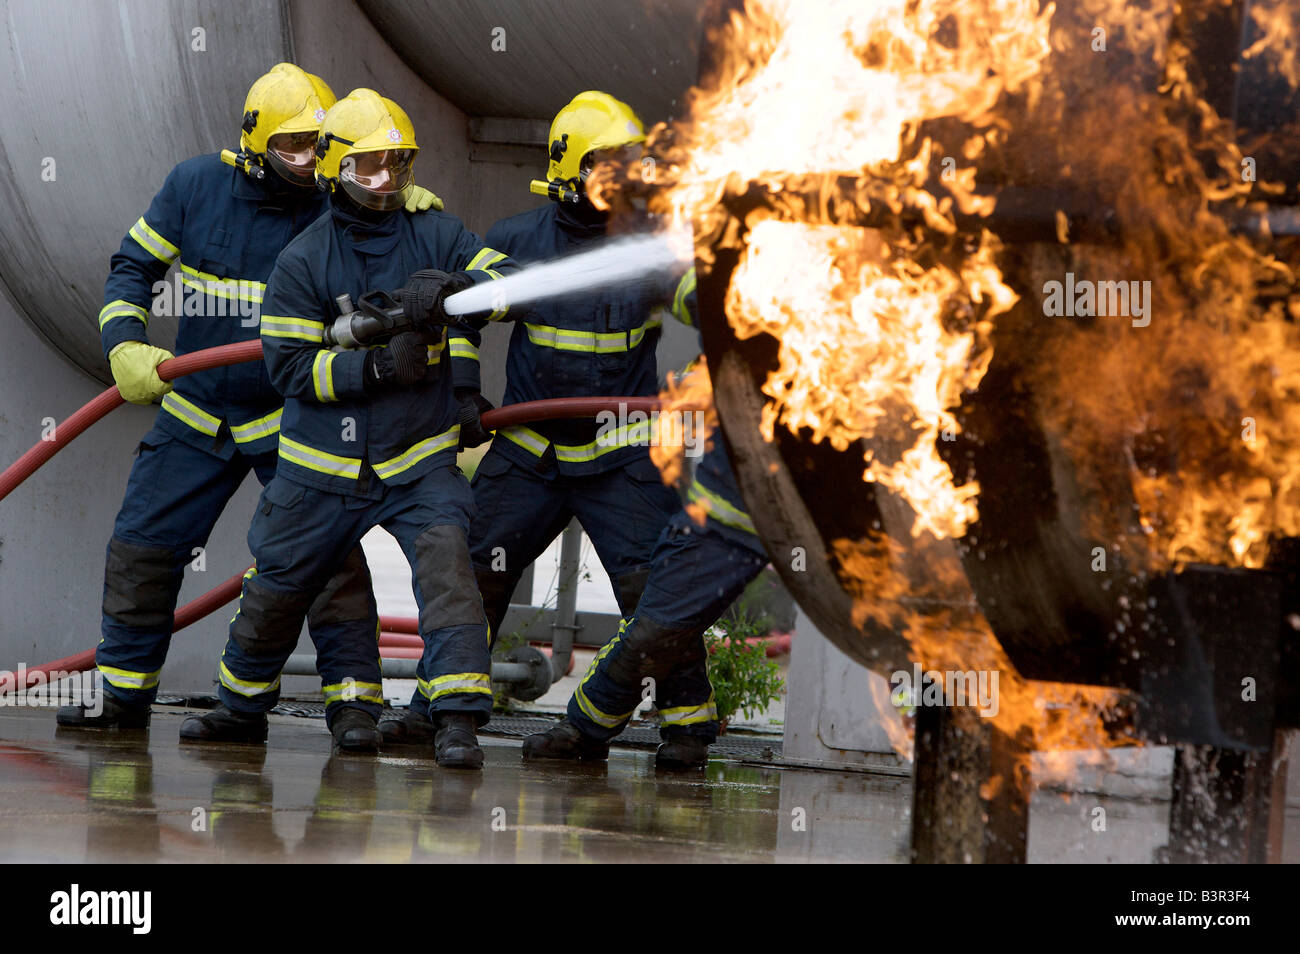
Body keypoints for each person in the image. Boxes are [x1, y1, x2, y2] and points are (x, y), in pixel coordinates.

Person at [57, 64, 442, 752]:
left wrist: (397, 201)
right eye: (292, 147)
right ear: (253, 145)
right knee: (143, 546)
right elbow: (132, 269)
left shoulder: (338, 204)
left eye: (319, 147)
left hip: (295, 413)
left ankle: (354, 708)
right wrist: (124, 343)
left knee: (327, 562)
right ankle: (122, 694)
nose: (308, 162)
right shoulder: (194, 186)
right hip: (199, 408)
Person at [179, 88, 518, 769]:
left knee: (450, 568)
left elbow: (508, 281)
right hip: (317, 472)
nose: (385, 180)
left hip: (418, 463)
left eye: (397, 163)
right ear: (335, 168)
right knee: (279, 585)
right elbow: (290, 368)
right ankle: (247, 710)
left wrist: (453, 288)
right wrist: (376, 372)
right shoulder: (303, 260)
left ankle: (454, 721)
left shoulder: (437, 232)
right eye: (368, 167)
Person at [376, 90, 707, 768]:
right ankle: (434, 708)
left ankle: (688, 726)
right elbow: (463, 316)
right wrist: (465, 392)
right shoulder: (517, 242)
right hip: (530, 458)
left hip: (619, 457)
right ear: (570, 170)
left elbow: (697, 298)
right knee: (474, 574)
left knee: (655, 585)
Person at [523, 433, 769, 768]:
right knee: (657, 627)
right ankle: (594, 727)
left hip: (829, 514)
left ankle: (598, 727)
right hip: (726, 512)